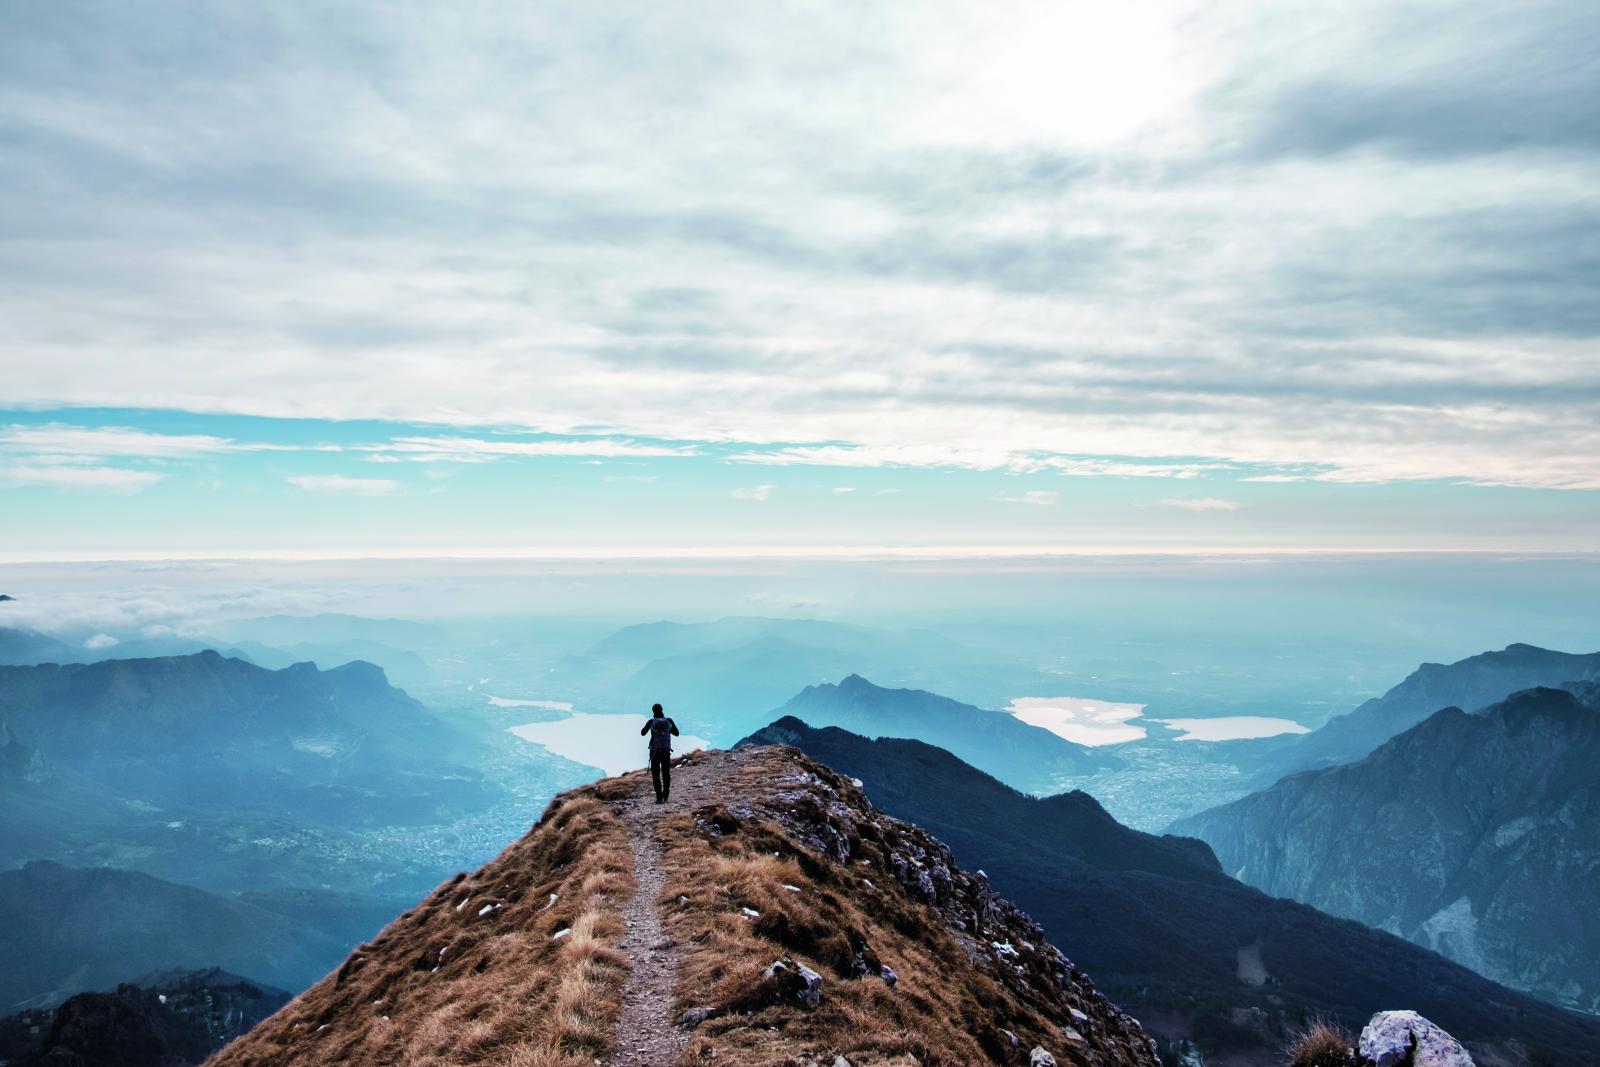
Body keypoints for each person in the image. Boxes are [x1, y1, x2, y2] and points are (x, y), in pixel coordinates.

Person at [640, 702, 680, 803]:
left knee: (656, 774)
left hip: (655, 752)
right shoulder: (668, 721)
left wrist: (651, 728)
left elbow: (642, 733)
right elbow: (677, 733)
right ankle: (665, 795)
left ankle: (659, 798)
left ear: (653, 711)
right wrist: (667, 730)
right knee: (666, 773)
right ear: (662, 710)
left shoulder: (651, 721)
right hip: (666, 751)